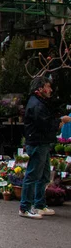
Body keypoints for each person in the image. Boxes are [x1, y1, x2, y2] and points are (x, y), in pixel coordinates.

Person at [19, 76, 71, 219]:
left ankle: (39, 204)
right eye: (48, 86)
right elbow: (46, 125)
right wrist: (61, 121)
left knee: (43, 176)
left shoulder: (39, 102)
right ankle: (25, 207)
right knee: (33, 175)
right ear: (40, 88)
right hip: (38, 143)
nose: (51, 90)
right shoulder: (37, 105)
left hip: (42, 143)